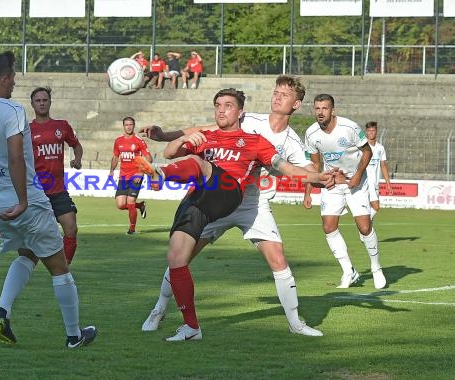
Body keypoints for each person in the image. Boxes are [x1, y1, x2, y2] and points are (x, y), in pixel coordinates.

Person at [134, 88, 333, 341]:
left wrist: (318, 178)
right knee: (178, 257)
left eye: (227, 105)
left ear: (241, 112)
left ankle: (295, 322)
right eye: (218, 105)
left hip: (247, 202)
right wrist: (181, 140)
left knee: (278, 259)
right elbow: (171, 151)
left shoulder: (265, 139)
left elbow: (290, 169)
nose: (221, 109)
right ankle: (160, 310)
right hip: (208, 201)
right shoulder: (210, 134)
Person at [0, 51, 96, 348]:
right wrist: (25, 201)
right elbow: (15, 157)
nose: (14, 81)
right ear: (3, 79)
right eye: (12, 75)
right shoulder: (12, 110)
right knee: (59, 267)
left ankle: (2, 313)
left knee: (27, 254)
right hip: (24, 202)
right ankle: (74, 336)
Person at [0, 87, 83, 266]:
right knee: (26, 234)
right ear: (32, 104)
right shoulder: (26, 129)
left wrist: (77, 159)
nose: (42, 103)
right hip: (35, 189)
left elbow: (76, 145)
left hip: (57, 189)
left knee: (71, 228)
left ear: (50, 102)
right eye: (38, 100)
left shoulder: (62, 126)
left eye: (45, 100)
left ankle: (65, 267)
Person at [303, 94, 386, 290]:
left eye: (324, 108)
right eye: (317, 108)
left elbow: (367, 151)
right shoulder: (311, 134)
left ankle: (376, 268)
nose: (320, 112)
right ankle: (349, 271)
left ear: (333, 111)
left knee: (365, 228)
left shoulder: (349, 128)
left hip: (355, 182)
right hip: (333, 183)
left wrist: (357, 175)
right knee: (328, 227)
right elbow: (313, 165)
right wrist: (308, 191)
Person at [109, 117, 151, 235]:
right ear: (123, 126)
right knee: (121, 204)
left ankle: (132, 230)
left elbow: (149, 158)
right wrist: (111, 170)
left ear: (134, 126)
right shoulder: (118, 141)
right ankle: (141, 205)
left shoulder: (139, 141)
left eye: (131, 124)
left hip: (136, 175)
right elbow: (115, 157)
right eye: (126, 125)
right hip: (123, 176)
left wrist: (141, 172)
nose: (128, 127)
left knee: (130, 202)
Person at [365, 121, 393, 219]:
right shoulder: (362, 147)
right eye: (369, 130)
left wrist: (388, 184)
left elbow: (383, 165)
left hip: (375, 183)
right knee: (376, 207)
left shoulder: (380, 148)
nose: (371, 132)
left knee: (370, 209)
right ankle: (365, 223)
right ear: (366, 132)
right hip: (366, 182)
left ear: (376, 131)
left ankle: (366, 229)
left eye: (373, 130)